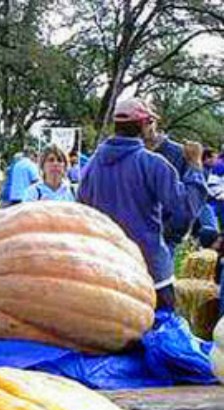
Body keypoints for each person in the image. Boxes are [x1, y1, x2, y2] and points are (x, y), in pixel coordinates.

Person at [77, 97, 206, 310]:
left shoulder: (90, 167)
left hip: (106, 271)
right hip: (150, 273)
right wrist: (195, 166)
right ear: (144, 125)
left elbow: (81, 214)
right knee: (159, 335)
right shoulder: (152, 164)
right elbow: (186, 208)